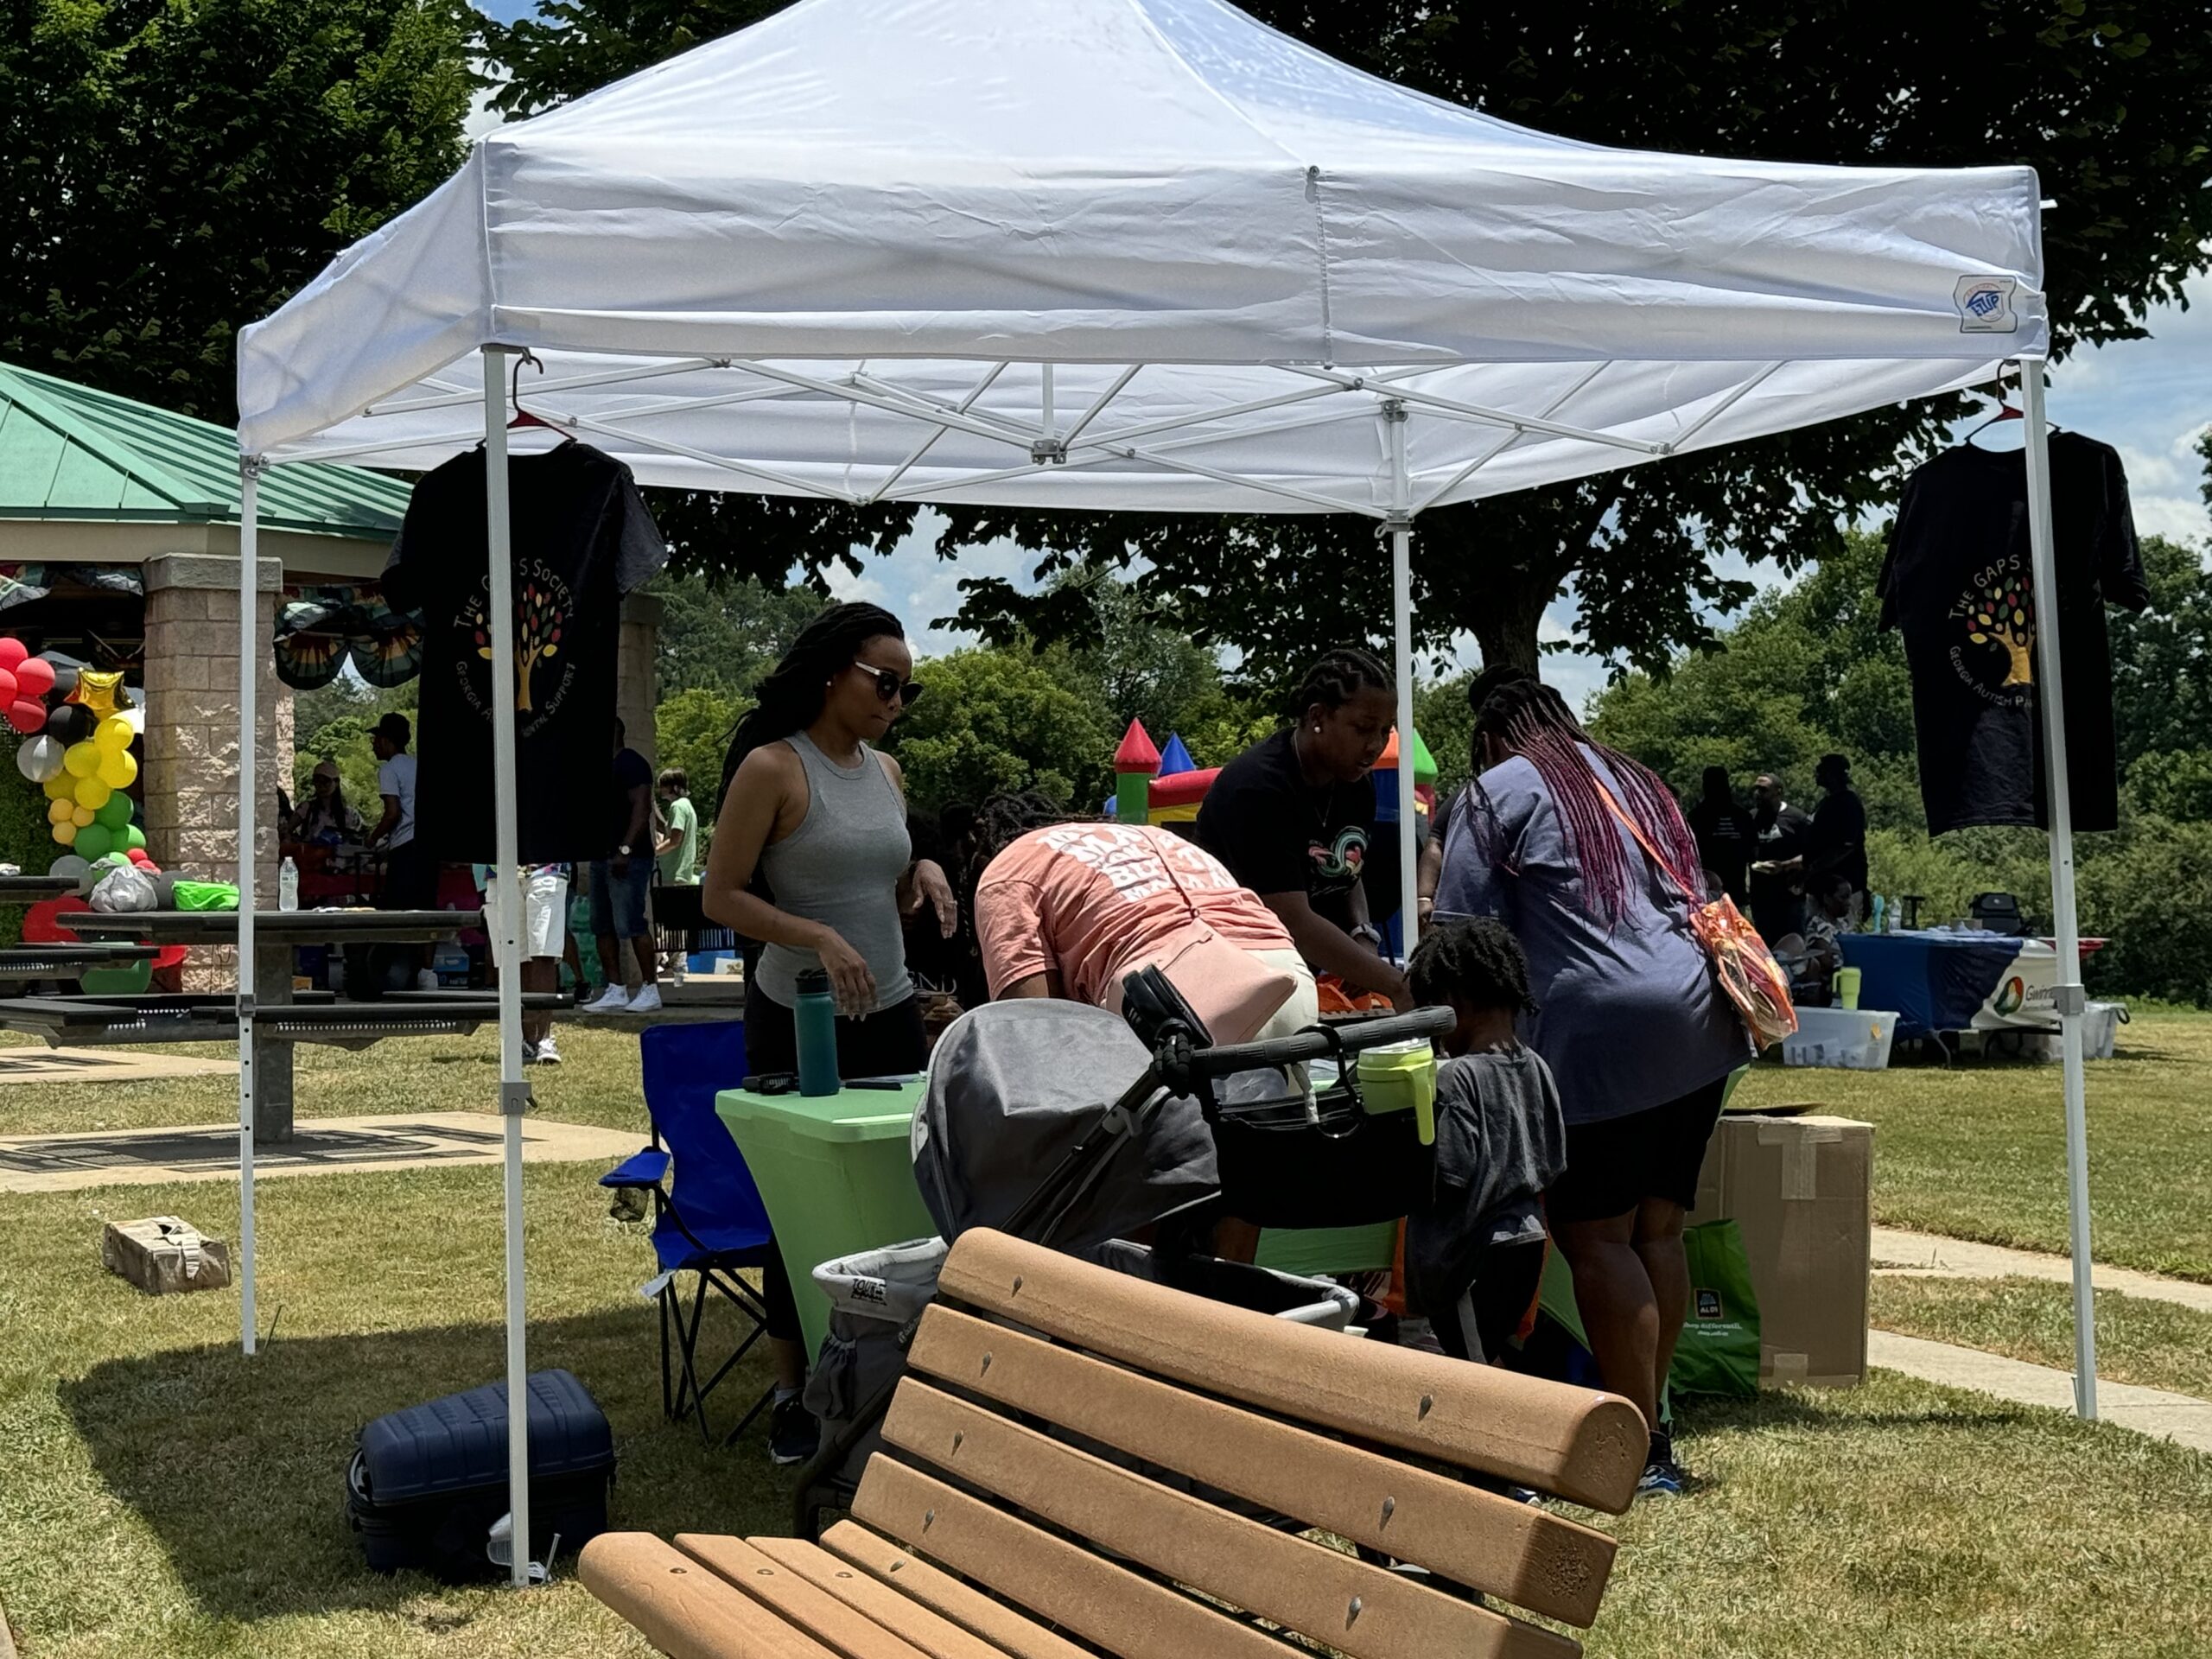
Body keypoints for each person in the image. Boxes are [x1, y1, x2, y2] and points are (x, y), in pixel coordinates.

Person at [1433, 678, 1750, 1498]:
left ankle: (1633, 1455)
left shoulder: (1496, 793)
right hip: (1703, 1019)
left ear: (1494, 739)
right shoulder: (1638, 778)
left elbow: (1462, 936)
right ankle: (1655, 1429)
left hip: (1602, 1033)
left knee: (1598, 1241)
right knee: (1657, 1235)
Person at [702, 601, 957, 1465]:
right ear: (832, 673)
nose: (896, 700)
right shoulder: (773, 769)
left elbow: (876, 869)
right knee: (800, 1206)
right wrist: (814, 935)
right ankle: (793, 1392)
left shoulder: (885, 773)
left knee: (907, 1190)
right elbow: (720, 896)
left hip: (887, 1011)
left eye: (907, 690)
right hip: (798, 1018)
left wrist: (919, 868)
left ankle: (894, 1374)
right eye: (885, 682)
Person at [966, 791, 1319, 1041]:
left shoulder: (1005, 872)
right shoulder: (1148, 835)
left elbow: (1039, 1024)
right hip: (1289, 979)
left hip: (1174, 1001)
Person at [1196, 647, 1407, 1007]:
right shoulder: (1258, 787)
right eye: (1363, 729)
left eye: (1385, 730)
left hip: (1296, 973)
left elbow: (1346, 867)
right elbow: (1291, 918)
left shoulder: (1355, 784)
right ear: (1317, 717)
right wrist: (1397, 984)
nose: (1375, 746)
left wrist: (1362, 934)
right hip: (1225, 974)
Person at [1402, 918, 1567, 1365]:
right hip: (1525, 1245)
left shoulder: (1455, 1077)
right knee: (1487, 1362)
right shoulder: (1537, 1067)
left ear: (1453, 1002)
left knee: (1461, 1380)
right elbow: (1553, 1162)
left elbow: (1447, 1175)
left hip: (1466, 1262)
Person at [583, 719, 662, 1015]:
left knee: (631, 923)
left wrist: (626, 848)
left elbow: (641, 809)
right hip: (601, 856)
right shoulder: (598, 768)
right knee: (601, 924)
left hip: (629, 857)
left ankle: (650, 987)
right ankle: (615, 988)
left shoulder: (632, 764)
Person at [365, 713, 439, 990]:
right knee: (427, 910)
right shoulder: (420, 765)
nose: (373, 745)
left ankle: (394, 974)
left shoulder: (389, 769)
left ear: (387, 741)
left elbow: (393, 813)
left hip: (406, 851)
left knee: (398, 912)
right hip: (429, 846)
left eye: (376, 739)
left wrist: (373, 839)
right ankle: (427, 975)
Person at [482, 862, 570, 1063]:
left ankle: (544, 1038)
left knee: (544, 953)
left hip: (547, 869)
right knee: (511, 957)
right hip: (500, 871)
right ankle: (524, 1039)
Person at [1746, 774, 1812, 944]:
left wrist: (1784, 866)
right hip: (1760, 899)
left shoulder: (1797, 818)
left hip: (1790, 899)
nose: (1757, 794)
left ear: (1778, 792)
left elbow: (1812, 854)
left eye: (1763, 790)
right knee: (1764, 950)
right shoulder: (1750, 819)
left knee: (1793, 945)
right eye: (1756, 789)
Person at [1685, 766, 1755, 904]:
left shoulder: (1697, 817)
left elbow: (1753, 853)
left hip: (1729, 891)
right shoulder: (1697, 817)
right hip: (1708, 892)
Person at [290, 759, 363, 844]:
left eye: (326, 781)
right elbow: (287, 829)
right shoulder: (306, 809)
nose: (321, 786)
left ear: (336, 782)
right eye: (317, 781)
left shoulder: (350, 815)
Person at [655, 768, 700, 887]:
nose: (661, 789)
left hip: (673, 874)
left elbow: (675, 841)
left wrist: (655, 851)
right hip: (683, 873)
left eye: (664, 786)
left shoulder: (677, 806)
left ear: (674, 787)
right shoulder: (687, 806)